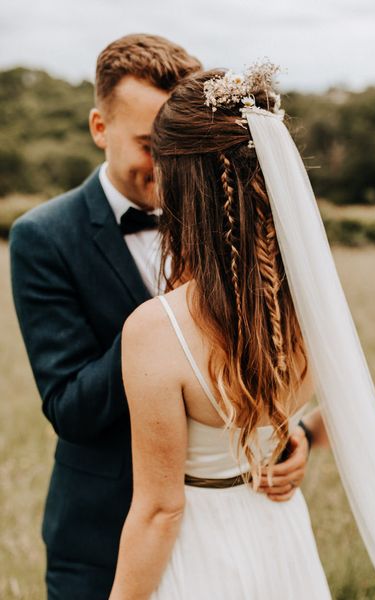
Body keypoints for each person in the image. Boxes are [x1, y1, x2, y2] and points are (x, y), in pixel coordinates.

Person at [9, 38, 311, 599]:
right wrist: (164, 329)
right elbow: (70, 408)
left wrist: (294, 435)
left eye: (180, 150)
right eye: (150, 145)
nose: (164, 167)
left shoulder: (249, 242)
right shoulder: (42, 237)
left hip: (232, 524)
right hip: (103, 531)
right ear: (100, 127)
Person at [110, 64, 375, 599]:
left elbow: (159, 510)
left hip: (201, 555)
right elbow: (350, 405)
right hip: (282, 535)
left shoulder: (157, 328)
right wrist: (303, 437)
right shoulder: (307, 303)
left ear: (182, 185)